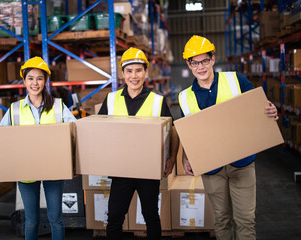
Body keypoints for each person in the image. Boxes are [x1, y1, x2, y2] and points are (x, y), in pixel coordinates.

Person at [179, 35, 279, 240]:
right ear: (189, 65)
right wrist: (186, 157)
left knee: (245, 220)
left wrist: (270, 110)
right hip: (212, 168)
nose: (201, 67)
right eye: (195, 62)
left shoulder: (235, 80)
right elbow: (187, 133)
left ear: (213, 60)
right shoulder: (184, 97)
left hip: (242, 163)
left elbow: (259, 106)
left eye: (204, 60)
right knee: (222, 220)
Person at [98, 47, 179, 240]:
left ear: (146, 72)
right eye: (129, 71)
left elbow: (172, 131)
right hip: (121, 171)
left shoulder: (158, 101)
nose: (134, 76)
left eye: (138, 70)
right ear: (123, 74)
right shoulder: (111, 99)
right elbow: (98, 132)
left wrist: (172, 157)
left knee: (151, 216)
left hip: (147, 171)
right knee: (115, 217)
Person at [0, 56, 76, 240]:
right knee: (31, 220)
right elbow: (1, 138)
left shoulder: (58, 106)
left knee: (56, 219)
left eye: (39, 78)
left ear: (45, 81)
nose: (35, 83)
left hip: (54, 169)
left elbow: (74, 131)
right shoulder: (15, 109)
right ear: (24, 81)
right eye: (31, 78)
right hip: (26, 170)